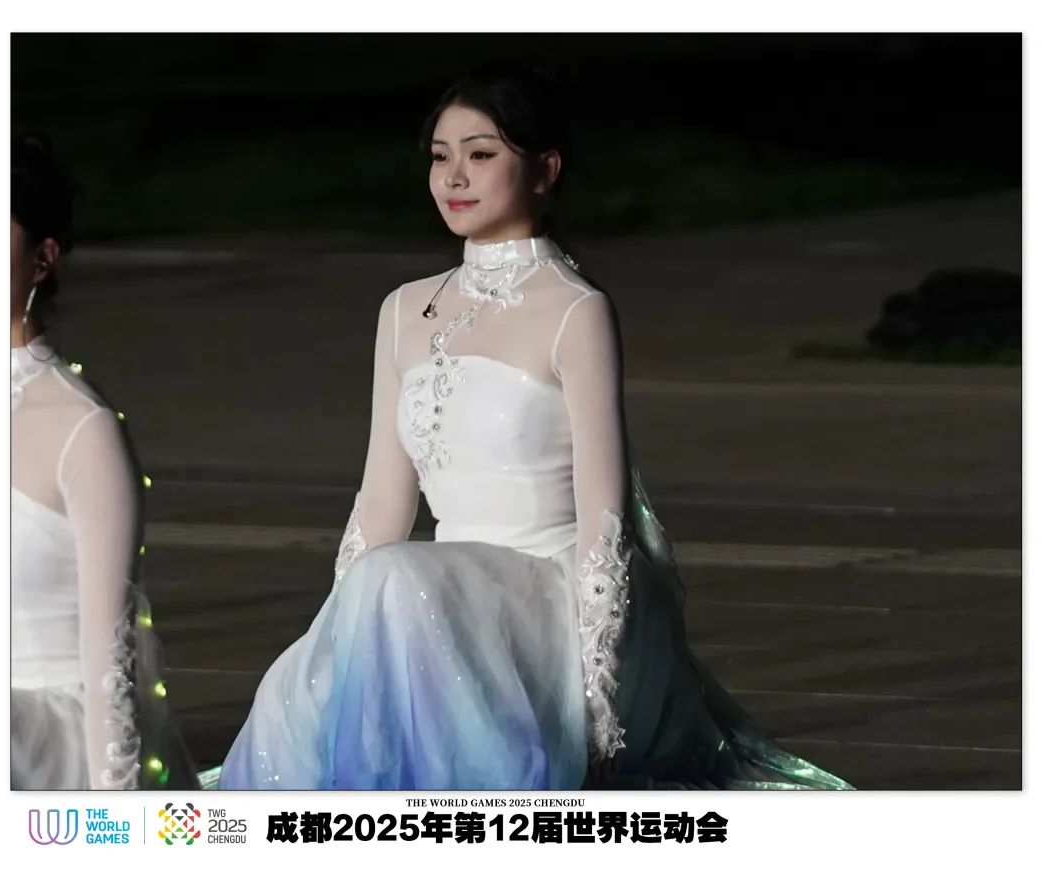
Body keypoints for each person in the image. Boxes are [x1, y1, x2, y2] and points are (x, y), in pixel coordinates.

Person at [217, 63, 853, 790]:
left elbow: (604, 523)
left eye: (481, 154)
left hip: (543, 603)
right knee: (298, 694)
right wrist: (341, 640)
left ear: (545, 170)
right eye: (440, 155)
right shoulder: (402, 309)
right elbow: (380, 506)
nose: (454, 176)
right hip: (431, 599)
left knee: (396, 583)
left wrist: (601, 699)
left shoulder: (575, 310)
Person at [10, 134, 197, 790]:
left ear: (41, 259)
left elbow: (108, 656)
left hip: (50, 738)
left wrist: (112, 818)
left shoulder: (79, 425)